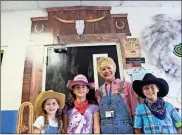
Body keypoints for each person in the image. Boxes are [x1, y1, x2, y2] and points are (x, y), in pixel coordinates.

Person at [96, 57, 138, 133]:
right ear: (100, 73)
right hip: (106, 130)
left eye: (109, 67)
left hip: (125, 128)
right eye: (103, 69)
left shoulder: (126, 85)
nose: (107, 71)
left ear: (114, 68)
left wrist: (137, 130)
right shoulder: (99, 91)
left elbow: (134, 109)